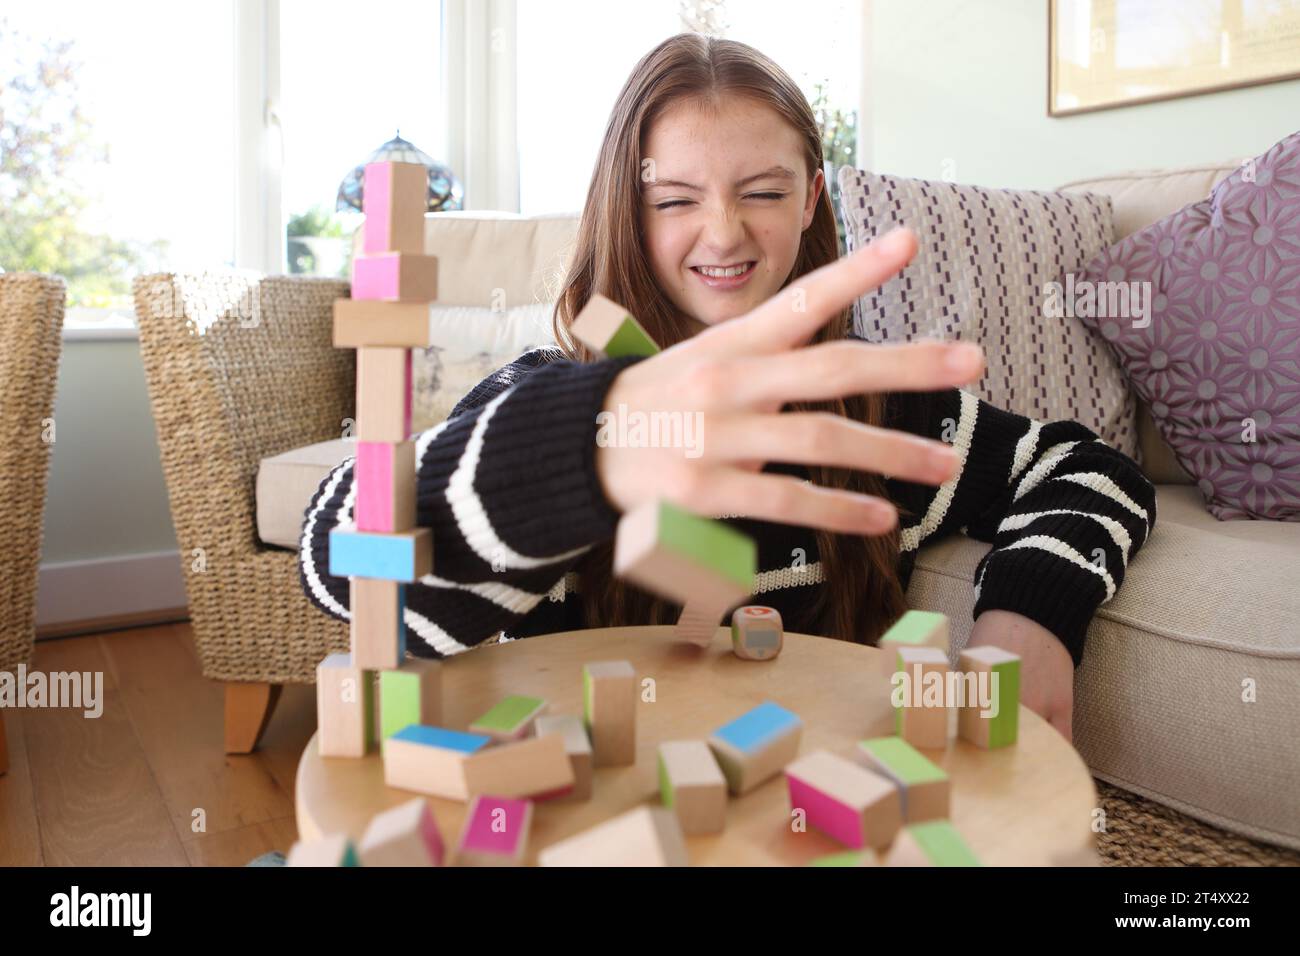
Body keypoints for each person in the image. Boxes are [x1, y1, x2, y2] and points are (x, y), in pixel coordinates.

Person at [301, 34, 1156, 741]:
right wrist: (591, 450)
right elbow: (339, 555)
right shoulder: (542, 403)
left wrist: (1030, 612)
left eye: (763, 192)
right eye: (675, 199)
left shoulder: (867, 411)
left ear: (813, 198)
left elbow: (1089, 469)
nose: (723, 231)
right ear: (627, 212)